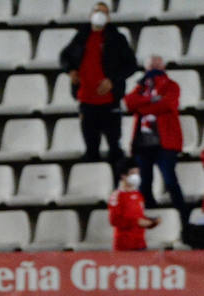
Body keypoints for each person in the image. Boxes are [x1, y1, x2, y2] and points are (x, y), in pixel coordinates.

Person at [60, 2, 135, 167]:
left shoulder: (117, 38)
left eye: (103, 12)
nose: (99, 15)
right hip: (86, 101)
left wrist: (112, 80)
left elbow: (131, 65)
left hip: (109, 101)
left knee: (115, 148)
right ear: (90, 15)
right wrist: (70, 70)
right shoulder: (81, 36)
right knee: (91, 148)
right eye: (96, 11)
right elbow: (64, 57)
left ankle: (117, 186)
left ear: (108, 17)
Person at [124, 56, 186, 212]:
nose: (155, 68)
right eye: (151, 65)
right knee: (144, 184)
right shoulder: (140, 87)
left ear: (164, 67)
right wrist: (152, 100)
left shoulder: (172, 86)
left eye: (158, 64)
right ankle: (151, 215)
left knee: (170, 181)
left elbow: (166, 105)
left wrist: (142, 105)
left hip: (165, 144)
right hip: (142, 145)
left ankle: (183, 217)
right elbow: (129, 102)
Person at [108, 166, 159, 251]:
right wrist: (137, 222)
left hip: (140, 244)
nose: (136, 176)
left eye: (137, 173)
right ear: (123, 176)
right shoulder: (117, 196)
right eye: (133, 173)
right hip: (124, 246)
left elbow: (139, 217)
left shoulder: (138, 195)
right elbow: (114, 220)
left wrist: (152, 222)